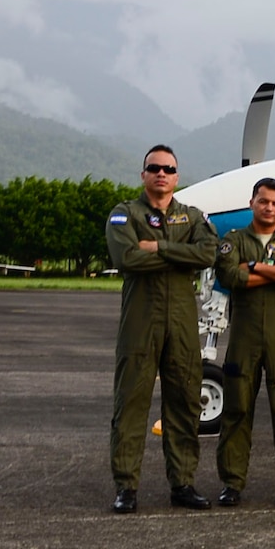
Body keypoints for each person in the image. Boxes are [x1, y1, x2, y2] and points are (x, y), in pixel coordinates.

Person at [105, 144, 219, 513]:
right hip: (141, 319)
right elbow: (127, 258)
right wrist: (177, 256)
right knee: (132, 403)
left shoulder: (192, 216)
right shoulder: (124, 214)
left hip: (183, 320)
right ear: (143, 174)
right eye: (154, 168)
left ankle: (183, 483)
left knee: (185, 402)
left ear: (176, 175)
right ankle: (126, 487)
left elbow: (207, 254)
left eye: (168, 169)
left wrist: (157, 248)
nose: (161, 174)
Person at [212, 177, 275, 507]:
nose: (268, 207)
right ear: (252, 202)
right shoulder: (233, 239)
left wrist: (255, 267)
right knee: (237, 409)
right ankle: (232, 482)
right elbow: (228, 276)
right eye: (263, 201)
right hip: (244, 337)